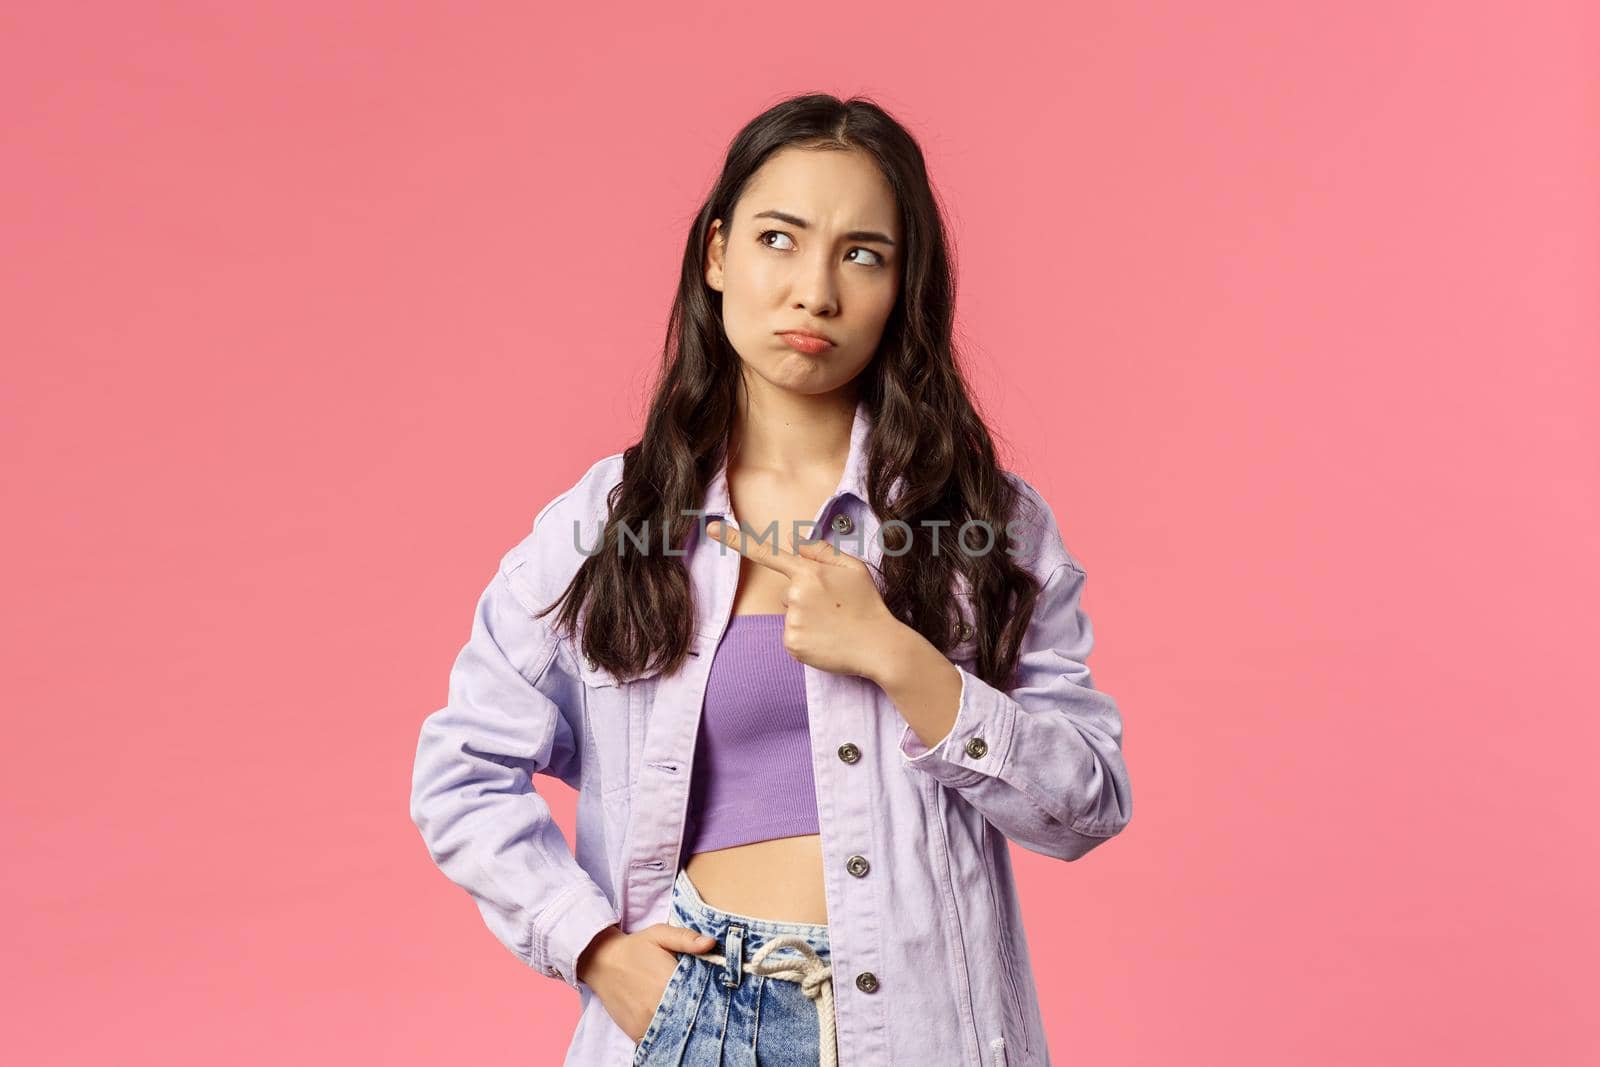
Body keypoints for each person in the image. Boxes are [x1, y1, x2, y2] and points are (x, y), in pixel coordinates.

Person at [409, 92, 1133, 1067]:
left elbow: (1084, 801)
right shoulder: (604, 522)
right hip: (692, 1016)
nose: (814, 292)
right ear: (717, 255)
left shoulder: (987, 526)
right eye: (779, 239)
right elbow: (460, 769)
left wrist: (898, 656)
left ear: (901, 285)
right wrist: (596, 950)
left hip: (926, 1027)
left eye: (862, 254)